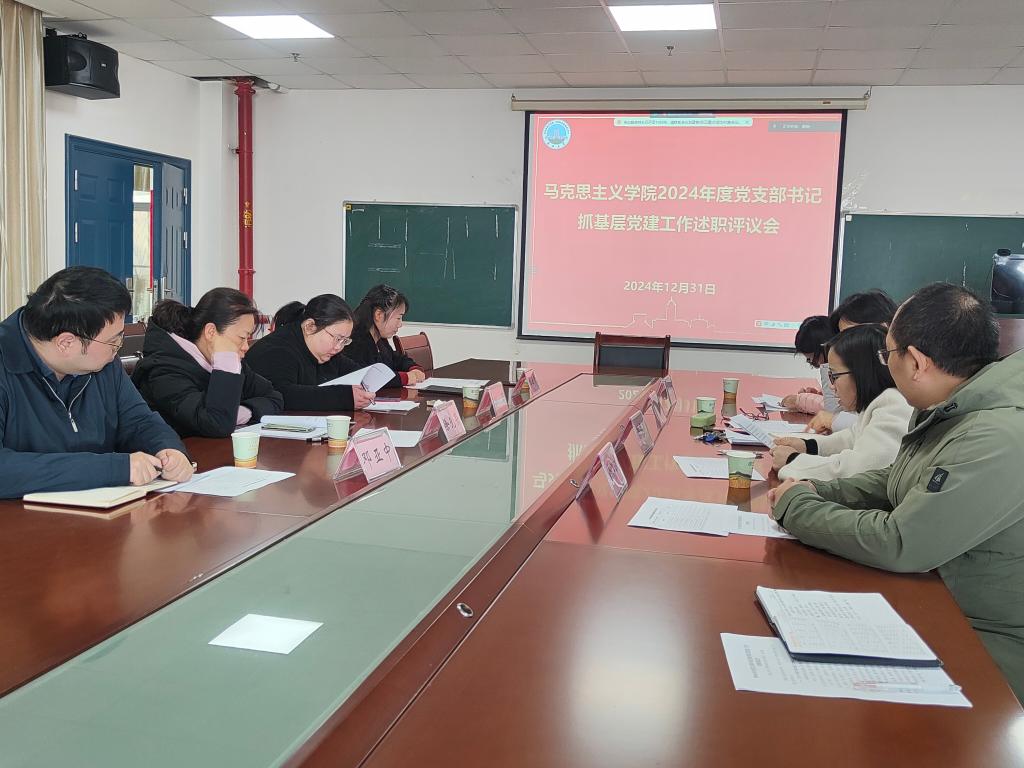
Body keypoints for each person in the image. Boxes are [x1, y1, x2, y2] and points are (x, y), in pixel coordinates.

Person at [769, 283, 1024, 701]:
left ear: (917, 363)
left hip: (984, 642)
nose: (883, 366)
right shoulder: (953, 408)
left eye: (887, 354)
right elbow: (894, 480)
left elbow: (903, 541)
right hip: (937, 603)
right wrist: (820, 490)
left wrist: (797, 507)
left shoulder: (994, 435)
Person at [0, 267, 193, 498]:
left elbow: (138, 420)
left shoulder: (102, 363)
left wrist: (167, 449)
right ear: (66, 343)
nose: (118, 347)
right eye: (113, 341)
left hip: (101, 510)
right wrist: (114, 469)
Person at [131, 288, 284, 438]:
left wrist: (244, 411)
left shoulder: (231, 362)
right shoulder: (164, 371)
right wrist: (225, 364)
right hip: (175, 453)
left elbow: (274, 397)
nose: (245, 347)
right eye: (242, 338)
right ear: (211, 332)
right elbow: (217, 423)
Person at [771, 324, 912, 481]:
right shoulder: (878, 404)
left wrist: (792, 460)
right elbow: (849, 438)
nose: (832, 386)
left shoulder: (894, 405)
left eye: (835, 376)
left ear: (861, 373)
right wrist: (807, 446)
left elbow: (857, 470)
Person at [246, 294, 374, 411]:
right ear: (309, 326)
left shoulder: (327, 353)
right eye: (337, 338)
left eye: (345, 341)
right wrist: (343, 398)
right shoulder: (277, 350)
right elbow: (281, 395)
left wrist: (364, 389)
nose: (338, 347)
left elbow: (358, 373)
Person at [805, 290, 900, 434]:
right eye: (842, 336)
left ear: (883, 329)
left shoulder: (905, 382)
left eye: (854, 335)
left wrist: (834, 421)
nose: (846, 345)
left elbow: (886, 427)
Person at [345, 284, 426, 388]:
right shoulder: (355, 341)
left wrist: (413, 368)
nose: (400, 324)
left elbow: (397, 360)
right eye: (398, 318)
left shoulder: (380, 340)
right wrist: (405, 378)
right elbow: (369, 378)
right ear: (379, 315)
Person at [780, 315, 841, 415]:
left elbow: (833, 411)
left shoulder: (838, 367)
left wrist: (800, 401)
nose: (817, 364)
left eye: (813, 359)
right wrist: (820, 396)